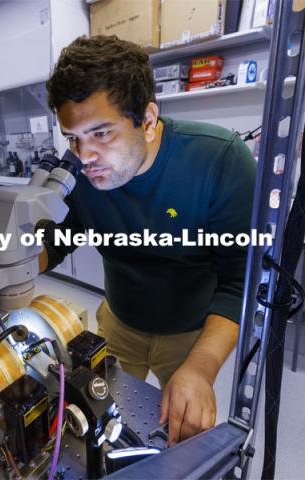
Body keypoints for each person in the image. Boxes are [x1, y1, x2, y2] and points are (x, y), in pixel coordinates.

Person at [39, 35, 257, 446]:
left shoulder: (220, 162)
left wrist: (202, 368)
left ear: (148, 119)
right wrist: (7, 260)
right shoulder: (81, 173)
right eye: (73, 137)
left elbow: (238, 283)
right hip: (119, 324)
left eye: (102, 133)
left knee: (179, 437)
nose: (85, 156)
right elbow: (55, 242)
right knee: (96, 426)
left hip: (190, 334)